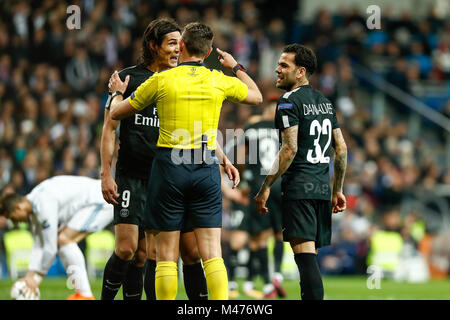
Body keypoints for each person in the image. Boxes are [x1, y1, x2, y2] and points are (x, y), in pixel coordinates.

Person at [109, 22, 262, 300]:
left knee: (166, 255)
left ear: (181, 46)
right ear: (208, 52)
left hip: (169, 167)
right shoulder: (218, 78)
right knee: (212, 252)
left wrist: (117, 92)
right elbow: (257, 96)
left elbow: (116, 113)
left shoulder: (162, 79)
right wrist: (235, 66)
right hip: (205, 166)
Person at [100, 18, 208, 301]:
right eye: (172, 43)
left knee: (149, 254)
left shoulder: (181, 79)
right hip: (131, 175)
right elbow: (110, 128)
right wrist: (105, 173)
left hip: (166, 177)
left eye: (180, 45)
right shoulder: (128, 78)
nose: (177, 50)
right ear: (153, 45)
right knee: (126, 249)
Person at [254, 44, 347, 300]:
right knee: (309, 259)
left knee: (305, 261)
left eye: (284, 65)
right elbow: (341, 149)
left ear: (301, 72)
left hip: (300, 188)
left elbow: (289, 149)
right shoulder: (325, 103)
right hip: (321, 188)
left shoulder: (287, 101)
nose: (277, 69)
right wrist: (337, 189)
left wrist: (265, 188)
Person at [0, 175, 114, 300]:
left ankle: (85, 295)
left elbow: (50, 248)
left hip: (101, 200)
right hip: (92, 202)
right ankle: (82, 294)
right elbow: (39, 244)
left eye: (12, 218)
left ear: (18, 208)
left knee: (64, 239)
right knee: (63, 239)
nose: (15, 223)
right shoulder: (35, 204)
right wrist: (30, 277)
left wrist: (36, 278)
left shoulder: (43, 204)